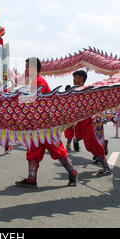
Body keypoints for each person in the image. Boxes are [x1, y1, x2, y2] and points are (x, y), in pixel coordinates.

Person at [15, 57, 78, 188]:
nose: (25, 69)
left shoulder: (39, 82)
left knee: (58, 151)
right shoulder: (33, 82)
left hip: (47, 127)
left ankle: (73, 173)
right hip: (36, 126)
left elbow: (29, 101)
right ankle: (32, 179)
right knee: (33, 151)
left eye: (26, 67)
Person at [71, 70, 111, 176]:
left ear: (81, 78)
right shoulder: (76, 90)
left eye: (75, 77)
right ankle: (101, 147)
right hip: (81, 119)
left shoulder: (87, 90)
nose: (73, 79)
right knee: (85, 141)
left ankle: (106, 167)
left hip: (90, 119)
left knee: (92, 142)